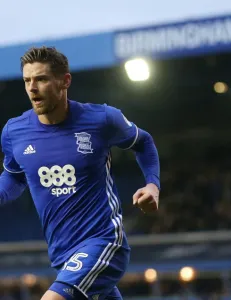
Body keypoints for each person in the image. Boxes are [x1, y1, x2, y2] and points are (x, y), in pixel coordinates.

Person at [0, 46, 160, 300]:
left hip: (104, 241)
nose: (32, 88)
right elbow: (14, 176)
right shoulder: (13, 132)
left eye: (41, 79)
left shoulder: (102, 119)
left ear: (65, 81)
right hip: (63, 254)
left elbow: (144, 142)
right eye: (27, 80)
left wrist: (152, 185)